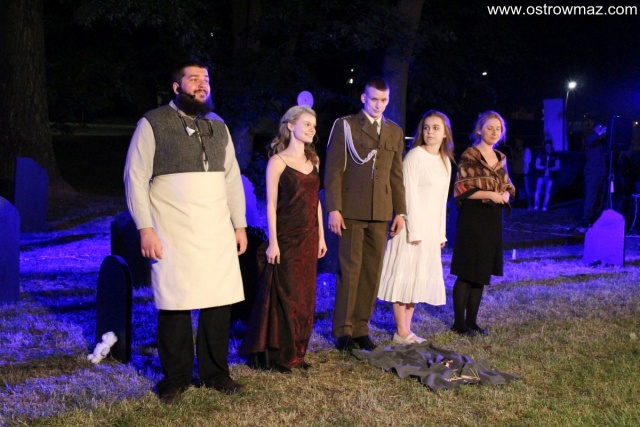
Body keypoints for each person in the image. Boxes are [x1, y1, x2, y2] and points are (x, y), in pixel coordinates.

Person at [124, 60, 247, 403]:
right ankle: (175, 378)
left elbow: (231, 179)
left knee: (218, 303)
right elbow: (135, 177)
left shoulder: (218, 125)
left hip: (216, 231)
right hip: (173, 230)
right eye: (193, 79)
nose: (202, 84)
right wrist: (145, 228)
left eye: (205, 79)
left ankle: (216, 374)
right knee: (175, 302)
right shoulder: (153, 122)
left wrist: (239, 224)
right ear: (176, 87)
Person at [240, 106, 327, 372]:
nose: (312, 129)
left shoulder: (314, 161)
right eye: (306, 124)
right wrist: (274, 242)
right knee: (286, 294)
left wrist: (321, 237)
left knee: (304, 296)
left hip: (310, 237)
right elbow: (270, 204)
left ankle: (297, 352)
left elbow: (316, 202)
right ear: (290, 125)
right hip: (287, 237)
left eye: (314, 125)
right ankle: (280, 355)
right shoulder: (277, 162)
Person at [324, 77, 407, 352]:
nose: (378, 105)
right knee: (350, 270)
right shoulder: (345, 126)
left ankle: (361, 328)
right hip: (351, 210)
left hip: (381, 211)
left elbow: (396, 175)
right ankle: (344, 331)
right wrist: (334, 208)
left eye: (384, 100)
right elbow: (333, 170)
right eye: (374, 99)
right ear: (363, 98)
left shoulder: (394, 131)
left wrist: (401, 211)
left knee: (372, 272)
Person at [378, 110, 454, 344]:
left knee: (417, 280)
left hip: (430, 230)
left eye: (436, 128)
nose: (430, 132)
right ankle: (401, 331)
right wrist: (415, 231)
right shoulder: (415, 156)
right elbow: (407, 195)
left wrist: (440, 234)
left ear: (445, 133)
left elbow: (441, 202)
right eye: (426, 127)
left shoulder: (445, 161)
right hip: (412, 230)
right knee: (404, 278)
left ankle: (407, 330)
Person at [450, 111, 515, 336]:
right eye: (490, 128)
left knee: (481, 272)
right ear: (479, 130)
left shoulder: (500, 157)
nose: (494, 132)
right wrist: (490, 194)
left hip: (492, 218)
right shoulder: (470, 155)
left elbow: (506, 184)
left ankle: (472, 322)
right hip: (473, 217)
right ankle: (459, 324)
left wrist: (504, 194)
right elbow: (462, 188)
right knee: (467, 270)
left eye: (498, 129)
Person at [581, 120, 608, 228]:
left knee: (600, 198)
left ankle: (596, 219)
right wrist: (599, 133)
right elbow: (590, 141)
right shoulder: (590, 138)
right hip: (592, 173)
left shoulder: (602, 142)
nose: (601, 128)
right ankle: (586, 219)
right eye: (599, 126)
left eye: (602, 126)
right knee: (591, 197)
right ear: (594, 128)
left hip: (602, 173)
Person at [533, 140, 561, 211]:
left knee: (547, 192)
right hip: (541, 176)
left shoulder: (555, 155)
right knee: (537, 191)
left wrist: (551, 168)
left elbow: (558, 166)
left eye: (549, 146)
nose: (547, 147)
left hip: (550, 176)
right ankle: (536, 205)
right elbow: (537, 165)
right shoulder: (541, 154)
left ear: (551, 146)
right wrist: (543, 167)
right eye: (546, 146)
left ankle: (544, 206)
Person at [509, 137, 532, 209]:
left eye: (518, 142)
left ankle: (529, 205)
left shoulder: (526, 150)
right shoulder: (514, 150)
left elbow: (528, 160)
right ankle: (516, 203)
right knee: (515, 189)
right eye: (516, 142)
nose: (516, 143)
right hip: (515, 172)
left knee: (526, 189)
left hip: (523, 172)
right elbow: (512, 160)